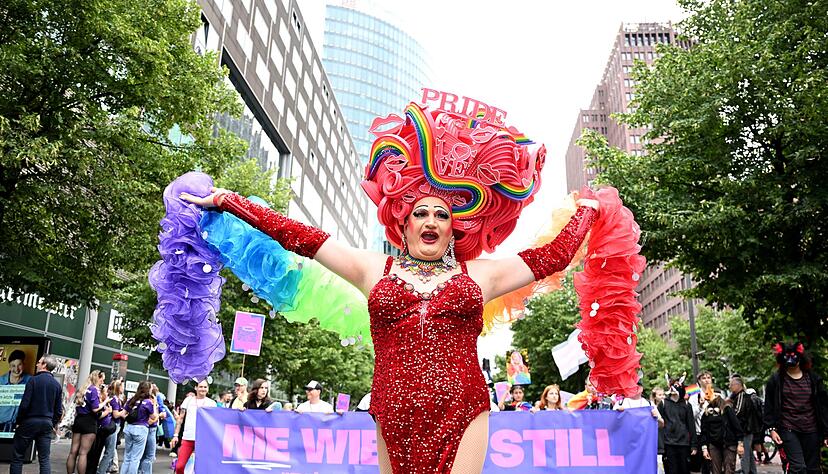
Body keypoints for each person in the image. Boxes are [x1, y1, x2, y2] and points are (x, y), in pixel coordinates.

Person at [180, 92, 612, 474]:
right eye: (420, 213)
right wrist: (229, 201)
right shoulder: (373, 269)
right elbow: (301, 237)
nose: (431, 221)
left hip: (462, 409)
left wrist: (590, 210)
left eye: (441, 215)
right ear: (403, 224)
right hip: (393, 410)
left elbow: (553, 257)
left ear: (453, 229)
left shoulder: (481, 274)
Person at [763, 342, 828, 474]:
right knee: (798, 467)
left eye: (793, 356)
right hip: (788, 428)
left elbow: (823, 407)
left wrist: (826, 432)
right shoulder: (776, 380)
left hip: (811, 429)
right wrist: (772, 429)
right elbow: (769, 406)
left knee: (813, 469)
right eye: (787, 357)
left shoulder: (813, 379)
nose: (790, 360)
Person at [10, 355, 62, 474]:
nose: (37, 364)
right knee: (44, 459)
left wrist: (19, 422)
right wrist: (52, 423)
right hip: (46, 423)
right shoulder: (56, 385)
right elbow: (58, 410)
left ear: (44, 365)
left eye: (39, 362)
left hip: (29, 422)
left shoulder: (33, 380)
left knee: (18, 457)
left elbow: (24, 405)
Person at [171, 379, 217, 474]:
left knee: (201, 468)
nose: (203, 389)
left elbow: (216, 421)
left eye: (205, 387)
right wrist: (175, 435)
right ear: (196, 388)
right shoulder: (188, 400)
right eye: (200, 387)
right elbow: (180, 418)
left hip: (203, 440)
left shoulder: (212, 403)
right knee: (179, 466)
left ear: (208, 389)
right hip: (188, 438)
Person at [67, 370, 106, 474]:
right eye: (102, 379)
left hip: (79, 420)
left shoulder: (83, 389)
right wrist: (105, 402)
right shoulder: (94, 390)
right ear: (98, 378)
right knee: (83, 453)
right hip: (89, 422)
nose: (102, 381)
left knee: (73, 452)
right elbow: (95, 408)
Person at [658, 374, 697, 474]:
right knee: (671, 470)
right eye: (672, 385)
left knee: (684, 469)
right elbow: (659, 426)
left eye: (677, 385)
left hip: (684, 444)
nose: (674, 388)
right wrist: (661, 447)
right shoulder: (663, 404)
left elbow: (691, 425)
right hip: (668, 444)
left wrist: (693, 445)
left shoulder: (687, 405)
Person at [699, 390, 744, 474]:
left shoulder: (727, 409)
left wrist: (740, 444)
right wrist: (704, 448)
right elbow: (704, 431)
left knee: (729, 469)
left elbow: (737, 426)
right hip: (713, 444)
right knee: (715, 470)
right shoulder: (707, 412)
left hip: (729, 443)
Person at [120, 381, 154, 474]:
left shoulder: (132, 400)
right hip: (141, 429)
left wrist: (128, 418)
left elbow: (122, 413)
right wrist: (154, 404)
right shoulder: (148, 402)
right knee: (135, 458)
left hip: (129, 428)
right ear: (148, 390)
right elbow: (153, 417)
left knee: (127, 457)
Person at [728, 375, 758, 474]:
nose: (730, 387)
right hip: (747, 428)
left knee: (744, 452)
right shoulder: (739, 396)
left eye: (731, 385)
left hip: (745, 429)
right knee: (748, 451)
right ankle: (752, 471)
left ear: (737, 385)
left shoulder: (741, 396)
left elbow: (737, 413)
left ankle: (745, 471)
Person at [95, 381, 125, 474]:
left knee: (110, 450)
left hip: (111, 425)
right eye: (122, 386)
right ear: (118, 388)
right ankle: (101, 471)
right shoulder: (114, 399)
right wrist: (124, 412)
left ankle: (106, 469)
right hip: (112, 426)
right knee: (109, 451)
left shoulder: (116, 399)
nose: (123, 388)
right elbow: (115, 415)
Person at [0, 349, 33, 432]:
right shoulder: (1, 381)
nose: (16, 369)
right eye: (13, 365)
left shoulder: (31, 381)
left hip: (21, 426)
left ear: (24, 364)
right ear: (9, 366)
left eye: (19, 365)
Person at [85, 383, 115, 474]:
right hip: (99, 430)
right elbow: (98, 415)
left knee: (98, 454)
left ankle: (94, 470)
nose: (107, 394)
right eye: (106, 392)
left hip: (104, 431)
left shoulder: (105, 402)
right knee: (93, 454)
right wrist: (107, 411)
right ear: (101, 394)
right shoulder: (99, 403)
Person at [689, 370, 714, 474]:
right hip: (700, 433)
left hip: (714, 433)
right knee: (703, 464)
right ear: (699, 381)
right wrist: (700, 406)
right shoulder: (694, 396)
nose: (706, 380)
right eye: (704, 378)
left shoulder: (715, 394)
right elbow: (691, 416)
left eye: (708, 378)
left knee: (714, 463)